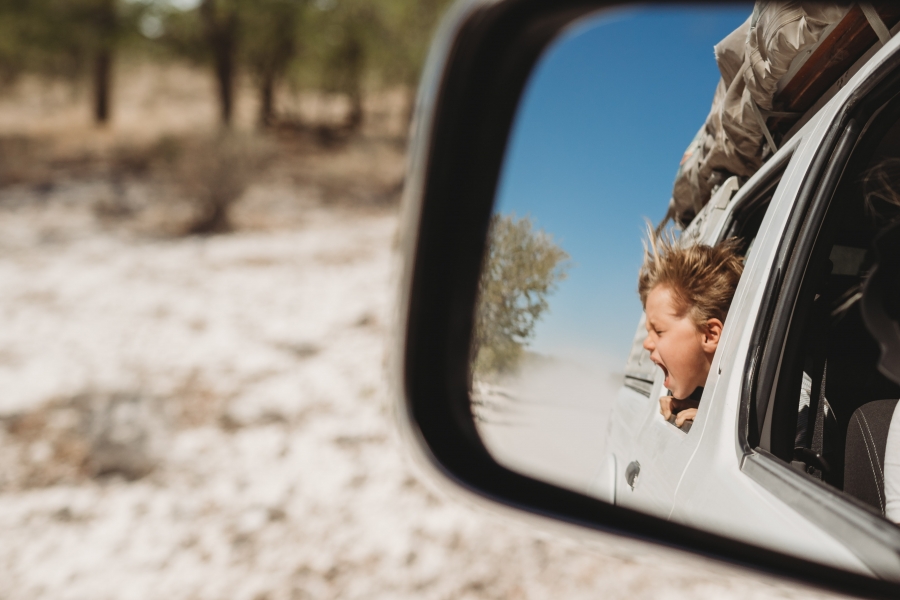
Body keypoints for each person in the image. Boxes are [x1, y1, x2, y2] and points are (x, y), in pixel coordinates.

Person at [637, 230, 744, 427]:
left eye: (659, 331)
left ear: (709, 335)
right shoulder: (739, 398)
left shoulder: (788, 392)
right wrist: (703, 407)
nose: (646, 343)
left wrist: (717, 421)